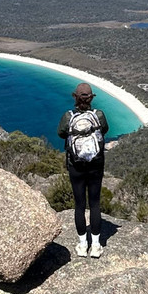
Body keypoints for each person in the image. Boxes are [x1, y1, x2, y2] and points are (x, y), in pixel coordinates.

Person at [58, 81, 109, 258]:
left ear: (76, 97)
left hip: (75, 165)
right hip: (96, 164)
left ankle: (82, 245)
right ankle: (95, 246)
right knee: (95, 203)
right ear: (91, 98)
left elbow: (61, 133)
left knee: (80, 205)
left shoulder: (68, 116)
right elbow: (104, 130)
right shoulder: (99, 115)